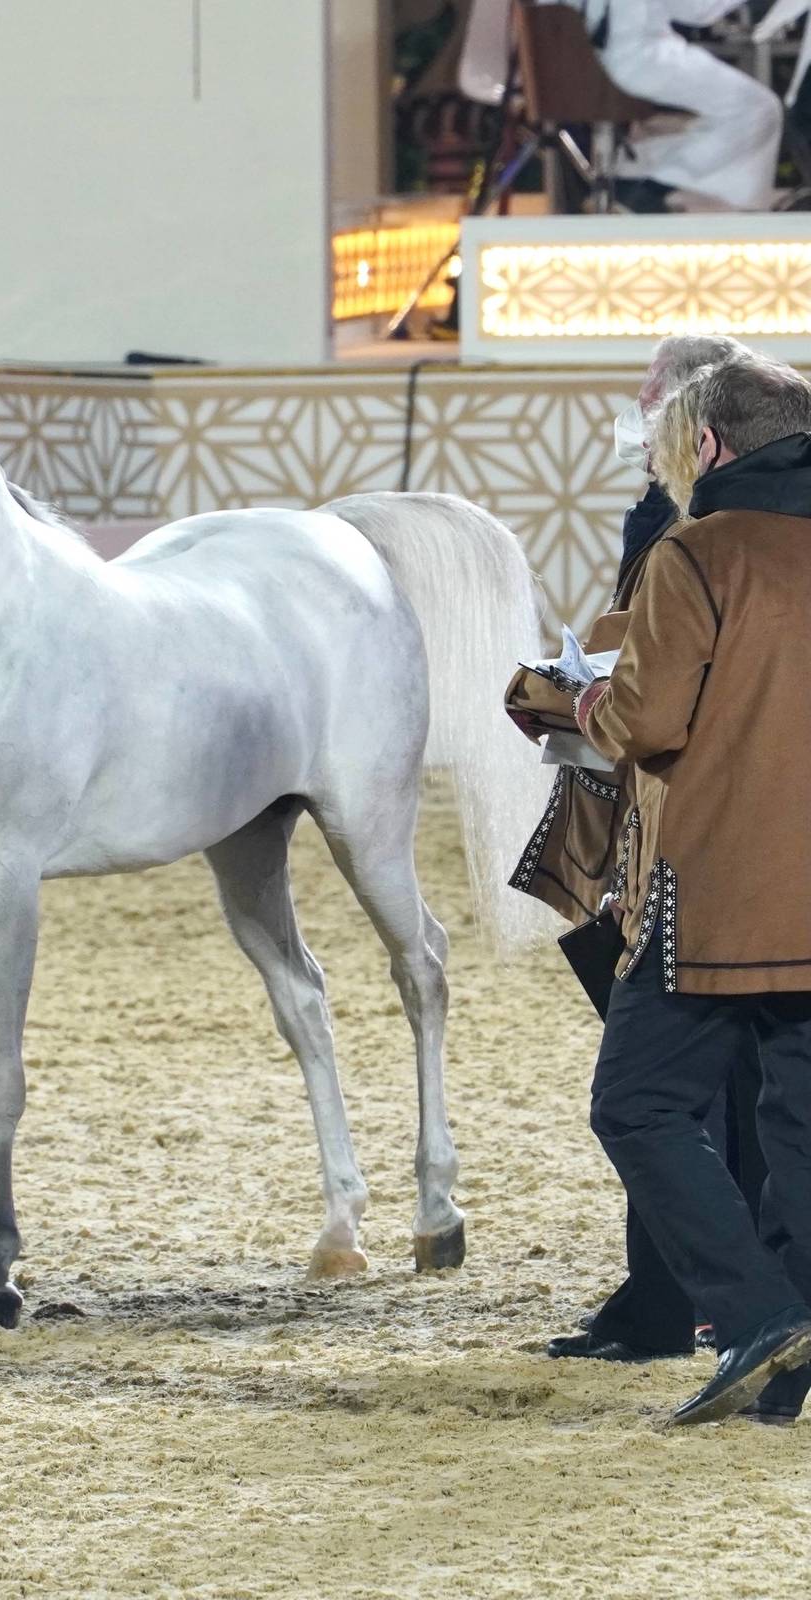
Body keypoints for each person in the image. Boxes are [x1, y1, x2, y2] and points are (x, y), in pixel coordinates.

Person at [506, 335, 763, 1367]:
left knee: (659, 1091)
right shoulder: (678, 512)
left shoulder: (689, 525)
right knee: (719, 1090)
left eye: (650, 392)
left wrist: (569, 695)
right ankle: (679, 1296)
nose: (634, 406)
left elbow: (655, 692)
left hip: (685, 832)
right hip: (707, 827)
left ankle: (710, 1302)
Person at [569, 354, 811, 1425]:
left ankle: (760, 1315)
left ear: (708, 447)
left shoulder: (697, 551)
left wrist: (589, 711)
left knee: (638, 1100)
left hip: (718, 884)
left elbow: (648, 721)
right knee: (799, 1120)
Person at [582, 1, 782, 212]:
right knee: (758, 109)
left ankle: (635, 178)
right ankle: (648, 189)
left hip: (576, 69)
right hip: (639, 58)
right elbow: (696, 11)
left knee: (720, 121)